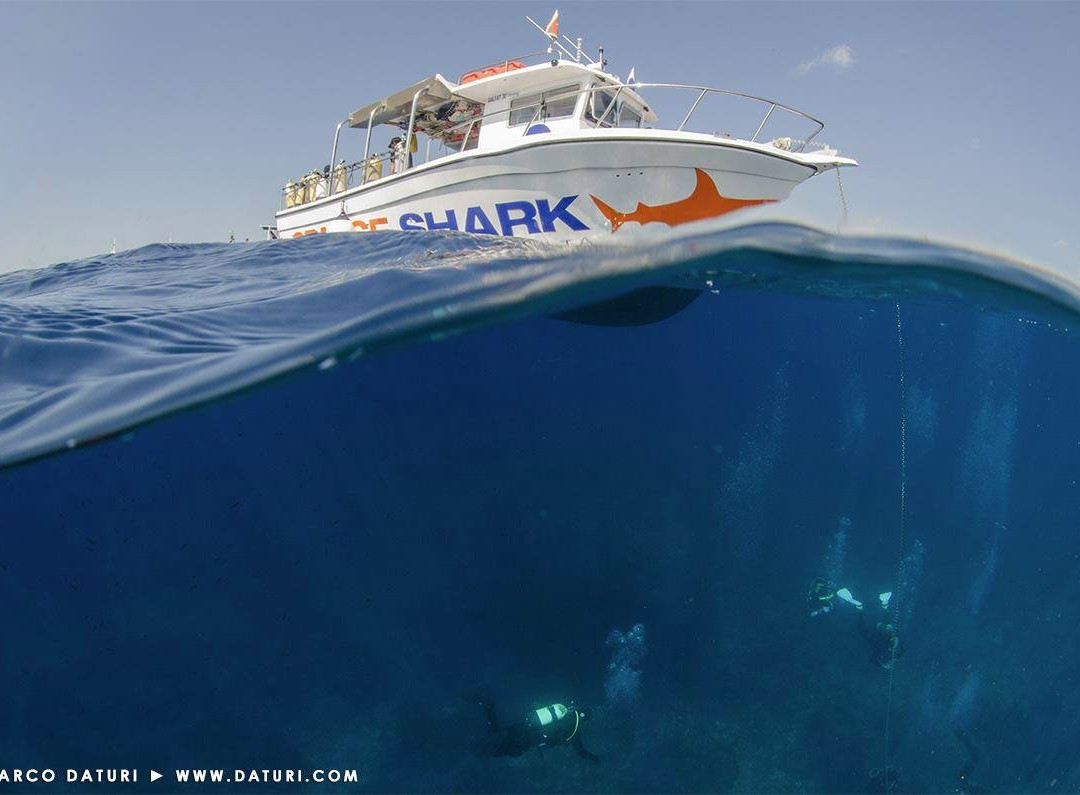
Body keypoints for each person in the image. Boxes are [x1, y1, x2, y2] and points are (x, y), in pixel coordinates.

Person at [470, 695, 600, 763]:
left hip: (522, 726)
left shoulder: (564, 711)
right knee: (496, 749)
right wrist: (594, 758)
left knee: (496, 735)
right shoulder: (575, 730)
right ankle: (488, 707)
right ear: (585, 719)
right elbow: (580, 751)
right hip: (524, 741)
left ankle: (488, 707)